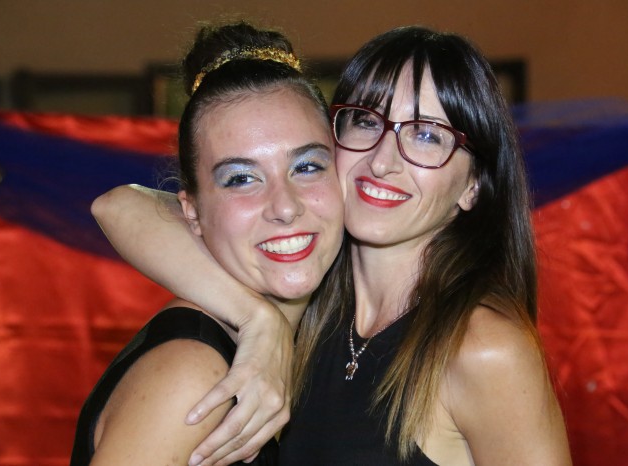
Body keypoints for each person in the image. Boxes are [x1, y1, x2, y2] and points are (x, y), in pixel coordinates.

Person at [93, 26, 571, 465]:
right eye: (366, 121)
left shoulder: (483, 348)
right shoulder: (301, 298)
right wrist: (259, 320)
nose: (383, 161)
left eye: (427, 135)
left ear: (473, 185)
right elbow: (120, 207)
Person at [70, 21, 344, 465]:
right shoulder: (194, 376)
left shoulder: (335, 324)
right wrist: (260, 318)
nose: (285, 206)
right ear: (191, 212)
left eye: (308, 167)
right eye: (241, 178)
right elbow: (114, 205)